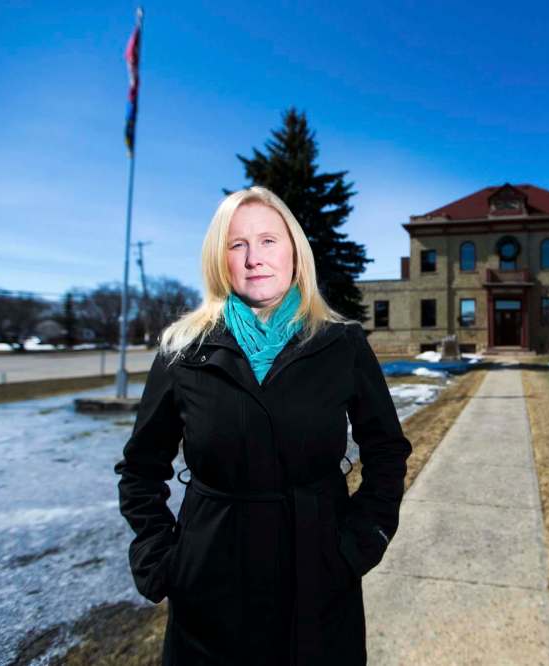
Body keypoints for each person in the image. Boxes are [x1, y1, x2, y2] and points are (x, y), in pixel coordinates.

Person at [113, 186, 413, 665]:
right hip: (210, 587)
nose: (254, 258)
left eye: (269, 241)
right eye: (238, 245)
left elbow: (387, 451)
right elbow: (140, 469)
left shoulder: (342, 344)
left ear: (294, 251)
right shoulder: (184, 351)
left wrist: (364, 539)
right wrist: (160, 557)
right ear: (220, 259)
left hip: (318, 580)